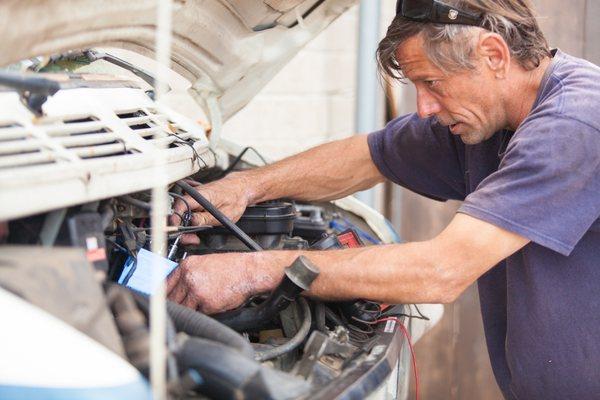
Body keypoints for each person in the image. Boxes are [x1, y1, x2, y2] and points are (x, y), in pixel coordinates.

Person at [167, 0, 600, 398]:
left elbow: (441, 270)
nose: (425, 107)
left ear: (493, 55)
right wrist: (244, 186)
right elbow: (365, 157)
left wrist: (256, 270)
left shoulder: (574, 124)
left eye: (431, 82)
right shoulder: (488, 117)